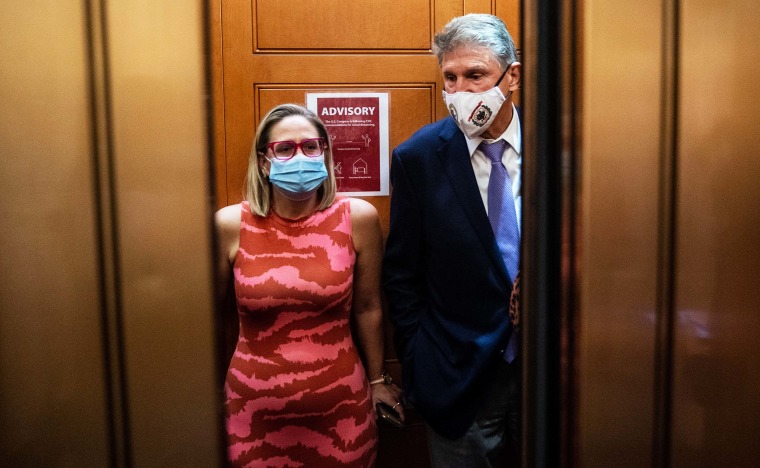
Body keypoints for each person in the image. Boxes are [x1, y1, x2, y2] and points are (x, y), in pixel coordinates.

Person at [216, 103, 403, 467]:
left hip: (341, 414)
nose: (299, 156)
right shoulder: (229, 225)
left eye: (310, 147)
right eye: (285, 149)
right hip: (250, 415)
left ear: (325, 153)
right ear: (264, 161)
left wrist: (379, 378)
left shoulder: (358, 218)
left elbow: (369, 307)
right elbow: (206, 319)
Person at [382, 14, 522, 467]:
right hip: (459, 375)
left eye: (475, 75)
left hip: (556, 369)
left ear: (511, 76)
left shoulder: (566, 146)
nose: (460, 91)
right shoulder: (418, 158)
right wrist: (419, 359)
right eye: (450, 77)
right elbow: (403, 274)